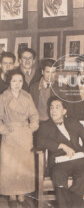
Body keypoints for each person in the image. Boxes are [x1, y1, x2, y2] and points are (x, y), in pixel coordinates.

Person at [37, 96, 84, 208]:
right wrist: (61, 146)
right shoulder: (45, 126)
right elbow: (40, 141)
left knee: (83, 177)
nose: (53, 110)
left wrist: (81, 152)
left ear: (64, 111)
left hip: (79, 160)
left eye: (57, 107)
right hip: (59, 162)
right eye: (51, 108)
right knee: (58, 175)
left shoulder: (73, 122)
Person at [0, 69, 39, 208]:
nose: (17, 84)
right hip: (9, 135)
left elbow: (34, 114)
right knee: (10, 166)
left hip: (24, 134)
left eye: (20, 81)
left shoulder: (27, 96)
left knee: (23, 166)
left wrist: (32, 127)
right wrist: (4, 129)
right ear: (9, 82)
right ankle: (11, 193)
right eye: (14, 81)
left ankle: (22, 192)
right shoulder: (3, 97)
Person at [30, 59, 59, 123]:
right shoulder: (33, 87)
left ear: (56, 73)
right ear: (42, 72)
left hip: (54, 123)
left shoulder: (61, 87)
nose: (50, 75)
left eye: (53, 72)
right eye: (47, 72)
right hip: (37, 123)